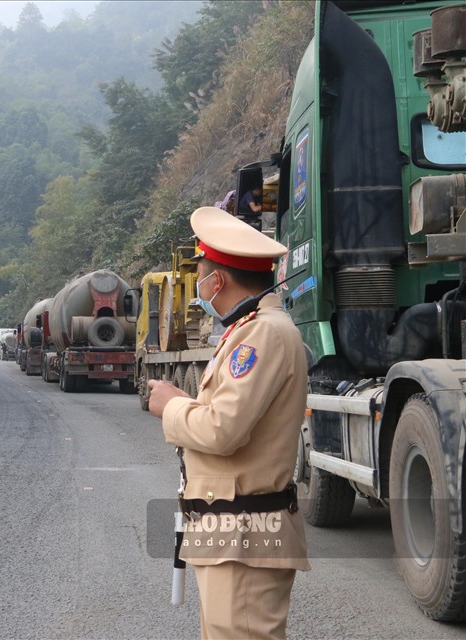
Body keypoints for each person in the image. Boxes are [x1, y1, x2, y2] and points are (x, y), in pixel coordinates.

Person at [146, 206, 309, 640]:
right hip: (230, 534)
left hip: (245, 537)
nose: (198, 285)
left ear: (216, 282)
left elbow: (223, 430)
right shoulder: (248, 329)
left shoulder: (263, 334)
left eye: (201, 274)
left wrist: (171, 408)